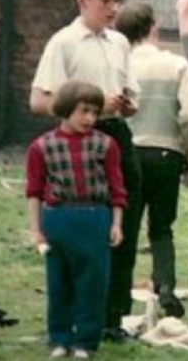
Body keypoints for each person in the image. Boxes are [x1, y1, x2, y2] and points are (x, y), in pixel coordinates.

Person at [30, 0, 143, 343]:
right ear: (82, 0)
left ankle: (112, 317)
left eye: (118, 1)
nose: (113, 9)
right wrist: (89, 107)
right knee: (84, 233)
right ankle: (74, 319)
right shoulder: (63, 42)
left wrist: (125, 107)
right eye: (105, 1)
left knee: (124, 224)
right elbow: (39, 100)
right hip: (79, 142)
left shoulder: (121, 42)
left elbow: (131, 95)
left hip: (118, 137)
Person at [26, 79, 128, 359]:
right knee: (59, 283)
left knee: (93, 285)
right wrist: (36, 230)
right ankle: (59, 338)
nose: (90, 118)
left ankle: (85, 342)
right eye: (83, 111)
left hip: (96, 218)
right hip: (58, 218)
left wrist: (116, 223)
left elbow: (117, 188)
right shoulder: (41, 147)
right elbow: (34, 191)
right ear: (66, 109)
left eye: (95, 112)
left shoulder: (106, 145)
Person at [115, 0, 188, 319]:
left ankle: (120, 297)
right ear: (153, 27)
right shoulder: (177, 65)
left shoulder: (119, 67)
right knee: (162, 228)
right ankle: (165, 288)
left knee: (126, 226)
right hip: (167, 154)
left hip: (128, 154)